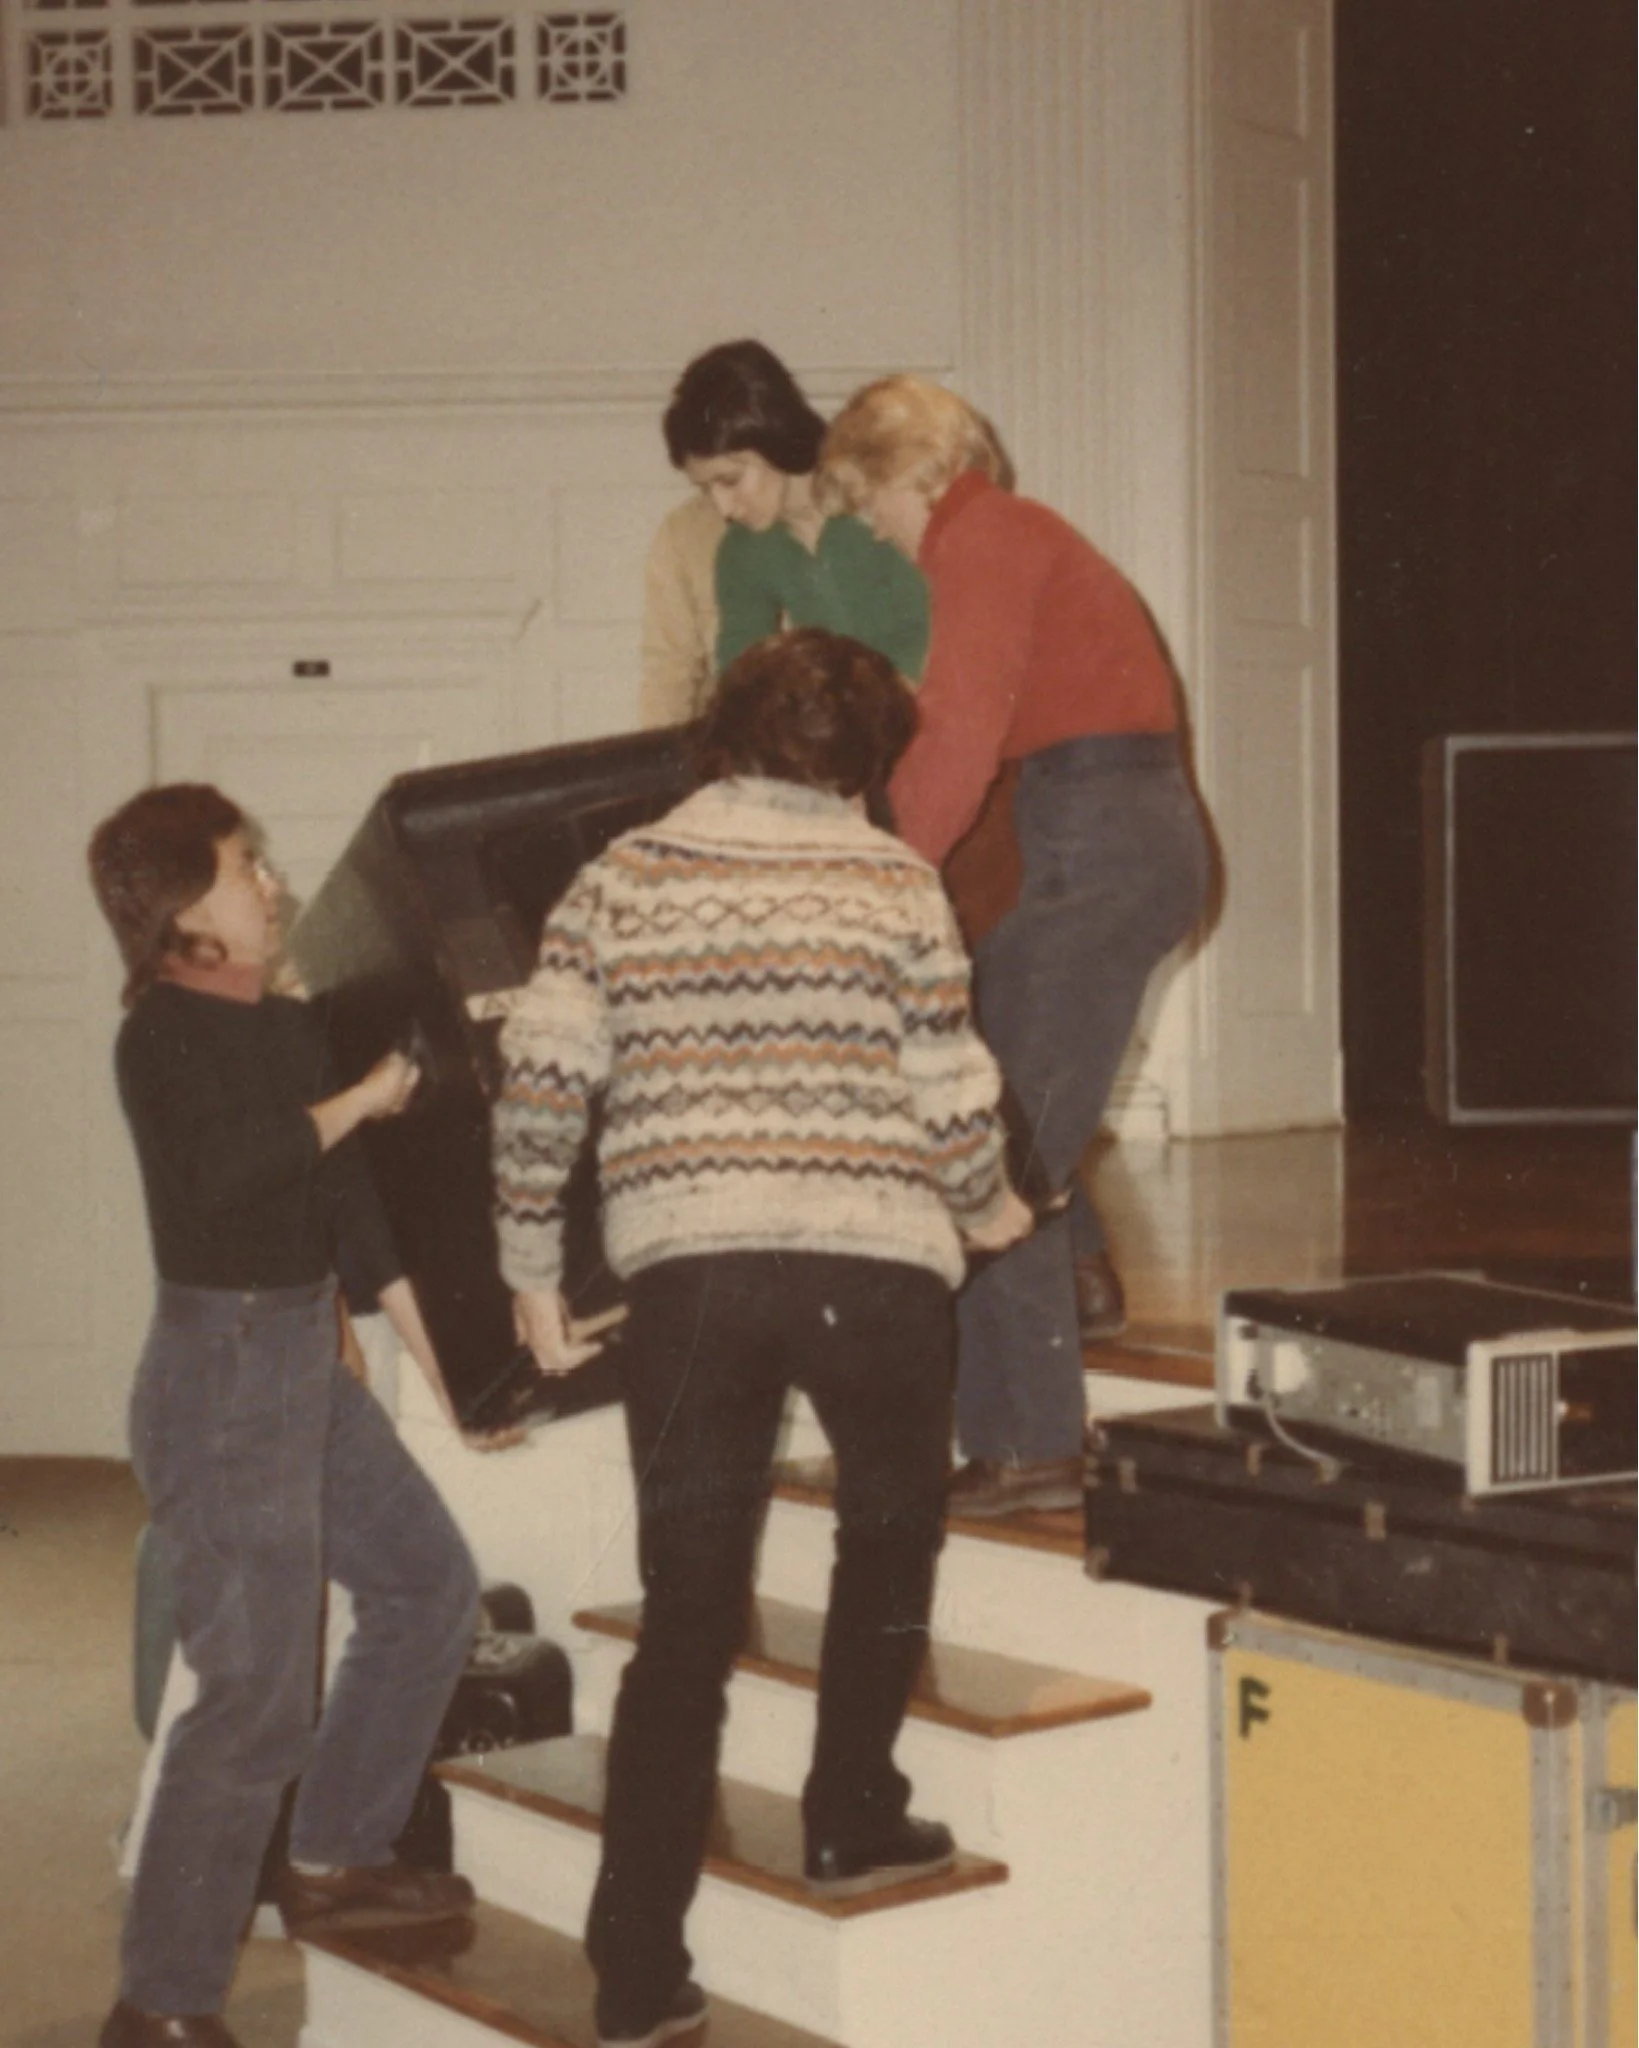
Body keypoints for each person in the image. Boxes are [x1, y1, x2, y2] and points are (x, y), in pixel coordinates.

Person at [492, 628, 1031, 2048]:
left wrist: (529, 1264)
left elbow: (541, 1075)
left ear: (719, 737)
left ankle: (632, 1970)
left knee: (682, 1626)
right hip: (874, 1275)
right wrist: (987, 1211)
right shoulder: (893, 882)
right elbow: (949, 1091)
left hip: (694, 1284)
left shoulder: (621, 878)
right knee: (888, 1533)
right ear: (864, 759)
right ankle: (851, 1807)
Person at [88, 784, 488, 2048]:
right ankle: (162, 2000)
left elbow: (358, 1222)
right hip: (221, 1374)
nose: (269, 880)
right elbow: (227, 1174)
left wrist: (453, 1384)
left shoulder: (293, 1027)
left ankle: (335, 1850)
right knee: (254, 1695)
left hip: (301, 1349)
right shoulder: (157, 1038)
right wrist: (360, 1099)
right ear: (178, 908)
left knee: (428, 1582)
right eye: (243, 864)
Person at [822, 375, 1212, 1519]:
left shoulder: (980, 539)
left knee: (994, 1142)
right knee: (997, 1092)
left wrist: (876, 878)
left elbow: (956, 735)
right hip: (1100, 827)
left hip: (1096, 840)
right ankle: (1079, 1281)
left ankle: (1032, 1438)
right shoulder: (1012, 536)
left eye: (865, 498)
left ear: (914, 473)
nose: (866, 525)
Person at [638, 339, 930, 730]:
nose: (724, 508)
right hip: (865, 740)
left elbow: (937, 630)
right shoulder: (743, 552)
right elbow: (741, 685)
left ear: (771, 436)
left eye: (730, 480)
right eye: (706, 489)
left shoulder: (872, 501)